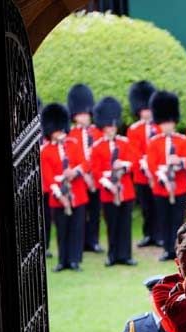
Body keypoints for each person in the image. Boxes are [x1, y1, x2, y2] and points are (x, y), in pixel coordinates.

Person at [90, 96, 138, 267]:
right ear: (103, 128)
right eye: (108, 126)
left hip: (125, 190)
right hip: (108, 192)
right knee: (112, 224)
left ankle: (125, 255)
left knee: (125, 224)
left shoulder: (124, 143)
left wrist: (123, 166)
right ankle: (112, 255)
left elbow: (134, 161)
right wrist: (108, 181)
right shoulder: (97, 147)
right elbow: (94, 170)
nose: (112, 129)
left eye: (113, 126)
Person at [40, 103, 89, 272]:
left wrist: (74, 172)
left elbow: (85, 163)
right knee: (62, 229)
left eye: (61, 129)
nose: (60, 133)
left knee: (76, 227)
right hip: (57, 196)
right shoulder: (45, 151)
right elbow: (47, 176)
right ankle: (62, 260)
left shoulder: (73, 144)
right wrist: (59, 194)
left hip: (77, 193)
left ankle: (74, 260)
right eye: (56, 130)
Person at [146, 91, 186, 261]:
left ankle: (178, 249)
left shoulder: (182, 140)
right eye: (164, 123)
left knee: (177, 220)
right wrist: (164, 171)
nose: (167, 126)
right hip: (161, 187)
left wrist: (178, 162)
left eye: (170, 123)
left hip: (179, 186)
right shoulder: (154, 142)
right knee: (163, 219)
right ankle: (167, 249)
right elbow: (151, 164)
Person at [66, 83, 103, 254]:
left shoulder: (97, 132)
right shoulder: (70, 134)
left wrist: (92, 174)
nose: (85, 117)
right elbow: (72, 157)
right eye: (81, 114)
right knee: (80, 213)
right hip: (79, 179)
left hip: (95, 177)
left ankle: (93, 241)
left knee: (95, 212)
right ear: (75, 116)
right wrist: (83, 173)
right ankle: (79, 242)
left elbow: (99, 156)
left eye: (87, 113)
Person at [126, 80, 159, 249]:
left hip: (158, 174)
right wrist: (144, 163)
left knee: (158, 205)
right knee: (146, 206)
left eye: (149, 109)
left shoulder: (159, 128)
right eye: (144, 110)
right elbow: (133, 151)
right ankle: (148, 235)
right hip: (141, 175)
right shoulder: (134, 129)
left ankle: (159, 235)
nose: (147, 113)